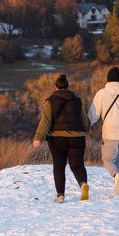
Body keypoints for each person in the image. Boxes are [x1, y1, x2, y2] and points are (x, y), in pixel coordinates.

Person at [33, 74, 89, 203]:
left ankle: (60, 195)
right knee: (77, 165)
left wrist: (38, 137)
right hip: (77, 137)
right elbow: (84, 120)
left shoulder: (50, 101)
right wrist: (85, 129)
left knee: (59, 166)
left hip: (58, 139)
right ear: (67, 86)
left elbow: (45, 122)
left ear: (56, 87)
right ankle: (83, 184)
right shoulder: (77, 100)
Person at [87, 66, 119, 195]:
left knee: (108, 160)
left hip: (110, 132)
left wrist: (87, 124)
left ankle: (116, 176)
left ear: (108, 79)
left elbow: (94, 114)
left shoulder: (102, 93)